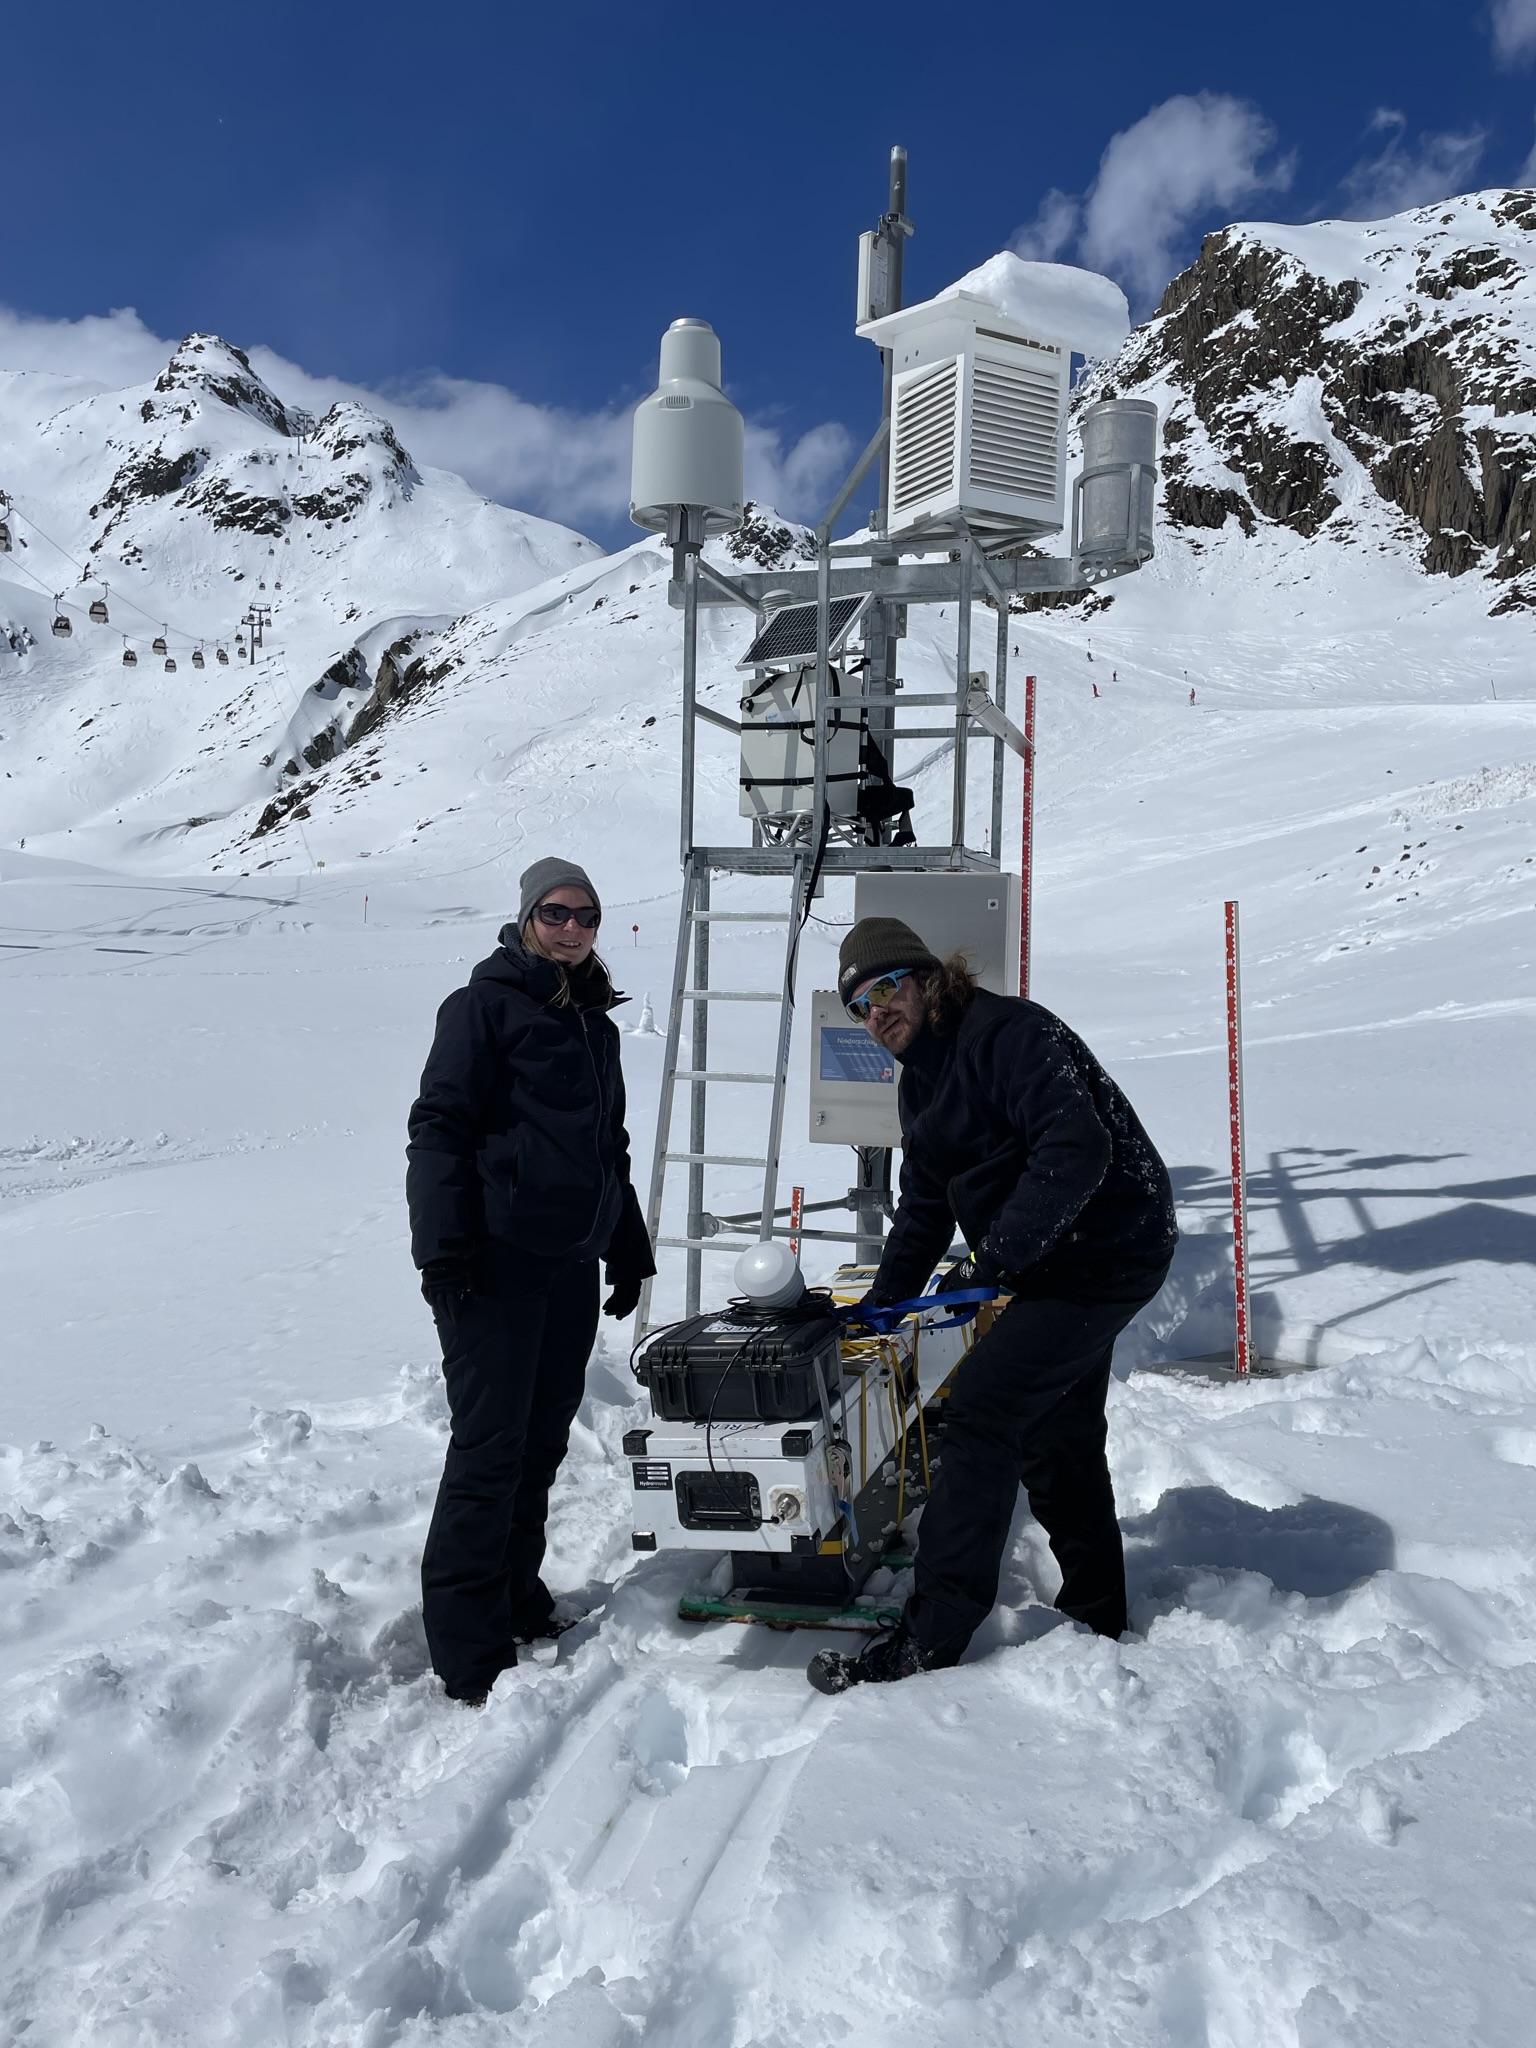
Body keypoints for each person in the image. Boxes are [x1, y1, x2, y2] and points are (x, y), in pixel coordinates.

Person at [807, 916, 1177, 1694]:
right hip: (1050, 1258)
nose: (876, 1013)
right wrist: (881, 1304)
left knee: (979, 1412)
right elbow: (925, 1205)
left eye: (886, 988)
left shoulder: (1010, 1035)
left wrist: (995, 1260)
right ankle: (1099, 1614)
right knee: (1056, 1435)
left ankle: (931, 1636)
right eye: (860, 1006)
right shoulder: (919, 1082)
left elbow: (1077, 1147)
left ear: (926, 977)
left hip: (1111, 1247)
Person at [407, 857, 655, 1705]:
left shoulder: (594, 1023)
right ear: (525, 919)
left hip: (567, 1265)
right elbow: (439, 1130)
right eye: (556, 913)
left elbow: (607, 1150)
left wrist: (626, 1246)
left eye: (586, 916)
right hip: (493, 1263)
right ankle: (467, 1648)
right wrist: (443, 1252)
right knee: (489, 1449)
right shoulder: (482, 1007)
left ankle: (515, 1597)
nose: (572, 929)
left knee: (541, 1443)